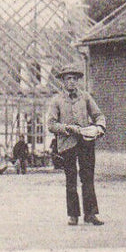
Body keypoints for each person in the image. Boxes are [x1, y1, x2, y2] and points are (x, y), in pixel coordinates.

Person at [46, 67, 105, 226]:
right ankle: (73, 215)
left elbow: (98, 115)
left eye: (74, 78)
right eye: (68, 78)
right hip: (67, 144)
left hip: (86, 142)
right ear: (63, 81)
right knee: (70, 179)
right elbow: (51, 124)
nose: (71, 81)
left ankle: (91, 214)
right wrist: (66, 128)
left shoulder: (85, 98)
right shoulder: (57, 100)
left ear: (78, 81)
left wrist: (99, 127)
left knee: (88, 178)